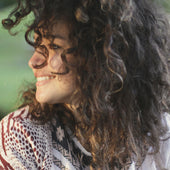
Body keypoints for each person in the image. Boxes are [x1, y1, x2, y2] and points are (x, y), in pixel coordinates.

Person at [0, 0, 170, 169]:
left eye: (54, 46)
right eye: (37, 45)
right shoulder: (21, 135)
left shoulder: (161, 134)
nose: (33, 61)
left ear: (101, 56)